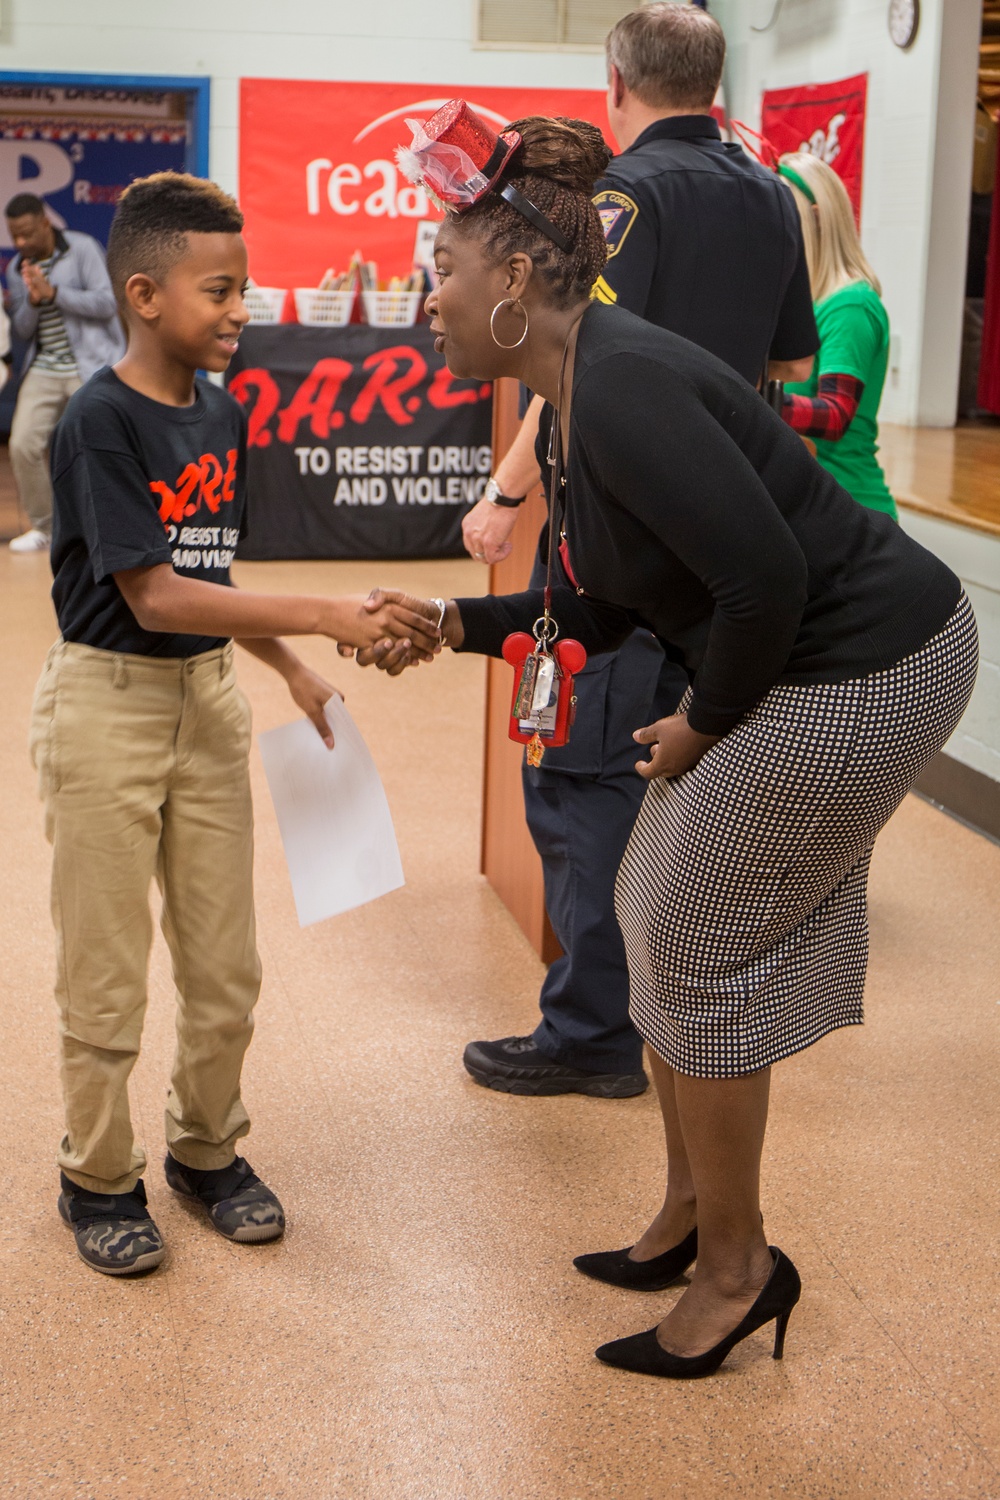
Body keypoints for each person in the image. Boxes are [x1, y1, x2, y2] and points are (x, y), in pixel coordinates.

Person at [363, 105, 976, 1376]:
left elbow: (764, 587)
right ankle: (693, 1213)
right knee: (648, 908)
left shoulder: (624, 386)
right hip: (813, 653)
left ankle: (740, 1269)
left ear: (520, 279)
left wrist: (700, 726)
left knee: (692, 945)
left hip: (872, 662)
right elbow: (608, 597)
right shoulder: (582, 385)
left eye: (443, 270)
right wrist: (449, 621)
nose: (429, 297)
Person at [28, 172, 437, 1277]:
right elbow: (153, 594)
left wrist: (290, 666)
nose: (240, 310)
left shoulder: (220, 409)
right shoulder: (100, 422)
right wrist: (320, 610)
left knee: (226, 969)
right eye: (220, 291)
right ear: (147, 295)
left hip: (204, 701)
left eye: (243, 288)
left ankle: (206, 1152)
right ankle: (96, 1176)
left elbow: (209, 572)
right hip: (106, 707)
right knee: (107, 976)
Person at [458, 3, 819, 1101]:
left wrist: (503, 493)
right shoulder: (770, 194)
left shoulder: (626, 196)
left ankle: (591, 1032)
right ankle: (654, 1005)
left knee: (579, 778)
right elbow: (786, 360)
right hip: (721, 526)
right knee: (669, 770)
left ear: (615, 78)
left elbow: (575, 359)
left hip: (615, 519)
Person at [777, 153, 898, 519]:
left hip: (853, 512)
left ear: (814, 217)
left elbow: (834, 416)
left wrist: (743, 400)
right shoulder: (808, 301)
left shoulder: (850, 305)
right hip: (814, 504)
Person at [5, 192, 126, 552]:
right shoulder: (17, 269)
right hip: (44, 367)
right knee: (22, 443)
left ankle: (103, 527)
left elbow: (107, 303)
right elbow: (24, 330)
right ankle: (46, 527)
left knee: (96, 446)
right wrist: (33, 298)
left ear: (45, 222)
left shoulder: (82, 249)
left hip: (89, 366)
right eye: (15, 236)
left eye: (27, 232)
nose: (22, 242)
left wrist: (55, 292)